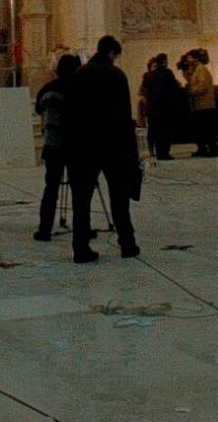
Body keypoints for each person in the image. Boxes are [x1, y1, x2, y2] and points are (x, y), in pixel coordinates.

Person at [62, 35, 140, 264]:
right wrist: (130, 150)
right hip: (112, 146)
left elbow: (69, 114)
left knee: (81, 200)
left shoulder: (78, 75)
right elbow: (125, 117)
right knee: (118, 197)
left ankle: (81, 247)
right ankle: (127, 243)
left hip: (83, 146)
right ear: (111, 53)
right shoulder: (117, 76)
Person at [34, 53, 79, 239]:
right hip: (74, 145)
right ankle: (83, 227)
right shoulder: (77, 88)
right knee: (79, 190)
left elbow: (38, 108)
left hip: (52, 144)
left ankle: (44, 228)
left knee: (51, 188)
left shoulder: (47, 89)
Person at [140, 52, 182, 161]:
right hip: (166, 107)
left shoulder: (149, 75)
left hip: (153, 107)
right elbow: (174, 89)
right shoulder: (168, 73)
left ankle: (159, 153)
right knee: (166, 131)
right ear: (163, 62)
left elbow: (144, 90)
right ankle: (165, 153)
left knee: (157, 131)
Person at [183, 49, 218, 157]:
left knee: (207, 129)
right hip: (198, 105)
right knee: (199, 130)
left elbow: (202, 86)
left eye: (189, 58)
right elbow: (191, 80)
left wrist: (190, 91)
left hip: (205, 105)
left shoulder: (201, 69)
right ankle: (202, 149)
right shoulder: (196, 70)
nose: (187, 60)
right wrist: (185, 70)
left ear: (195, 58)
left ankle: (212, 150)